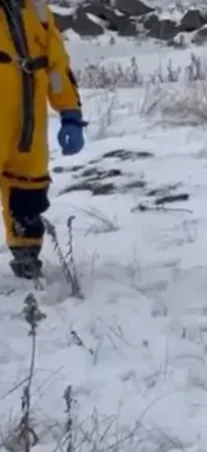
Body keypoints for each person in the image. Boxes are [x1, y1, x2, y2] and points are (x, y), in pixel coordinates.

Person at [0, 0, 86, 280]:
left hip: (28, 124)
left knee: (28, 189)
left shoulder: (36, 9)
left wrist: (70, 113)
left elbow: (57, 66)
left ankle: (27, 261)